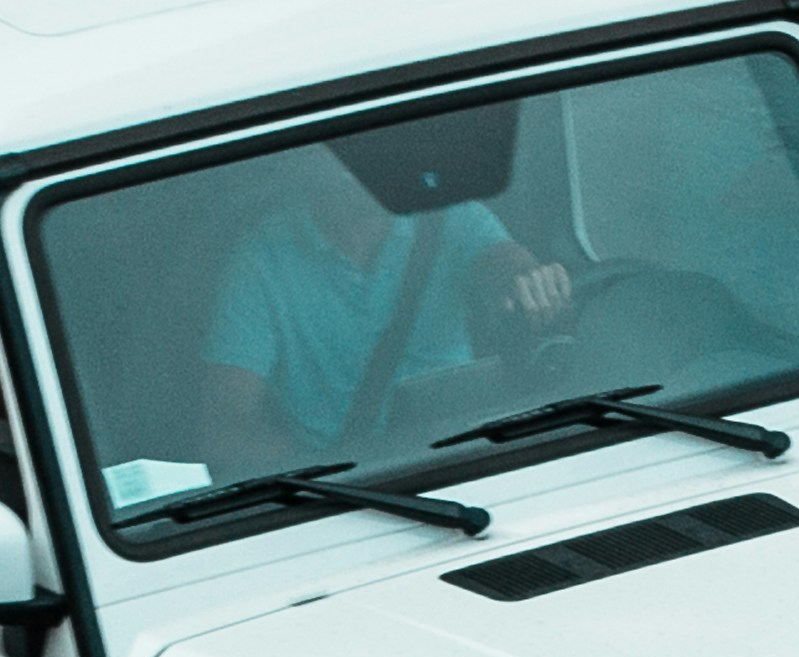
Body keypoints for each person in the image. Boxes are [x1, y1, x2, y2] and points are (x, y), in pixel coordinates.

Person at [199, 111, 574, 463]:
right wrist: (322, 470)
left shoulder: (449, 217)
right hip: (335, 481)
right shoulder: (262, 261)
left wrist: (531, 283)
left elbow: (504, 264)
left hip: (459, 453)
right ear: (311, 157)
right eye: (347, 152)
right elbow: (224, 430)